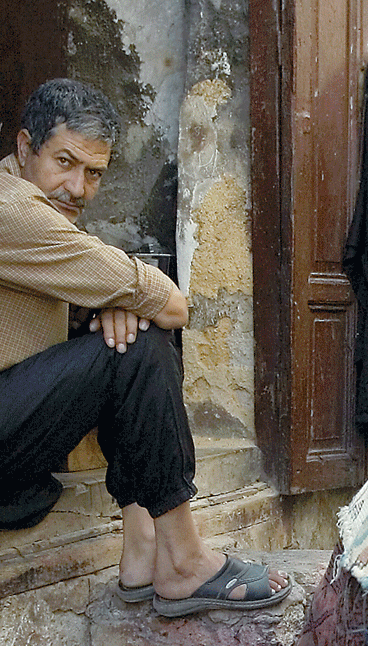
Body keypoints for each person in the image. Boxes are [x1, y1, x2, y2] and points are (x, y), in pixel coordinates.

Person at [0, 78, 290, 614]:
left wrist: (111, 303)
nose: (77, 187)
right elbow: (175, 303)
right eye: (64, 162)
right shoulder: (12, 210)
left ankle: (142, 550)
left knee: (124, 333)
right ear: (24, 148)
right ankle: (181, 560)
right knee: (139, 341)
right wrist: (127, 298)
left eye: (93, 174)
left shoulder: (36, 217)